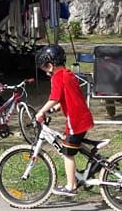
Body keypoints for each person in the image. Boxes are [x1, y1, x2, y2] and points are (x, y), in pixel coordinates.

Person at [34, 44, 95, 196]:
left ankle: (70, 186)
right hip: (82, 117)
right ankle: (87, 171)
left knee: (67, 152)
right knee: (73, 145)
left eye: (45, 69)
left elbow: (54, 98)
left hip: (76, 120)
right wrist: (55, 109)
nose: (46, 73)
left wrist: (42, 111)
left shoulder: (57, 77)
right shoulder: (68, 74)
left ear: (50, 65)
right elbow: (67, 97)